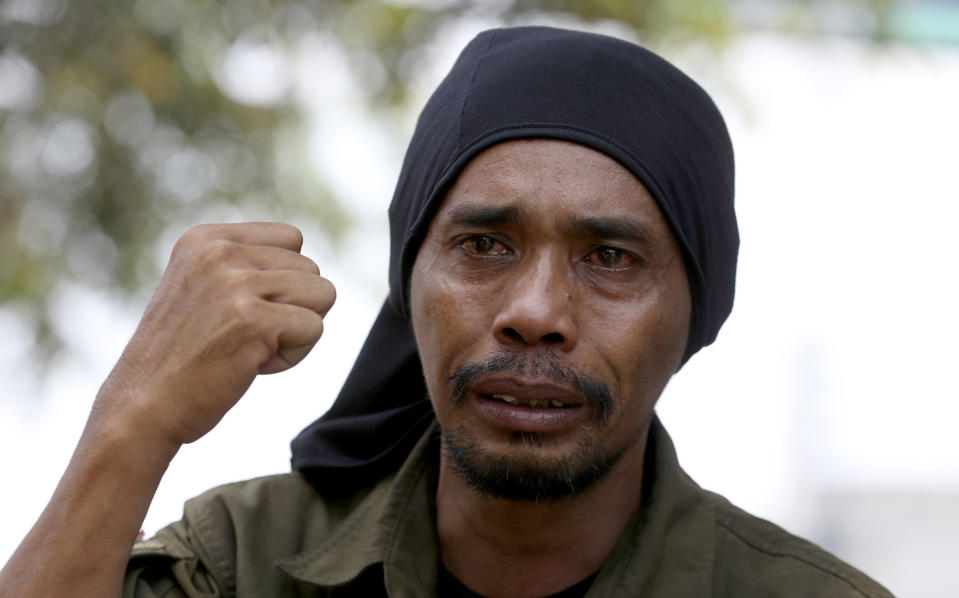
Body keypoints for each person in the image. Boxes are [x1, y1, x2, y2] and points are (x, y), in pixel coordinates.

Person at [0, 26, 892, 598]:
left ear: (697, 314)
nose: (535, 312)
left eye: (610, 259)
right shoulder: (243, 563)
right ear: (409, 279)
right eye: (484, 246)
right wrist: (134, 421)